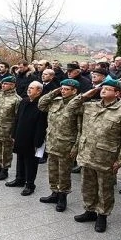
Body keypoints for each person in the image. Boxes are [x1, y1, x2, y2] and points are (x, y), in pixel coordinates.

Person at [67, 80, 121, 233]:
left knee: (105, 188)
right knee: (87, 185)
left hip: (106, 157)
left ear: (117, 93)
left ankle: (102, 215)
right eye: (102, 88)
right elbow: (71, 107)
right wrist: (86, 94)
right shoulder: (91, 105)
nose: (103, 91)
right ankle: (89, 210)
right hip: (87, 153)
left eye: (108, 89)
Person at [37, 79, 81, 212]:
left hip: (66, 146)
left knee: (64, 173)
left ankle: (63, 197)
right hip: (52, 142)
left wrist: (76, 147)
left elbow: (80, 129)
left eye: (66, 89)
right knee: (52, 171)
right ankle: (54, 193)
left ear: (74, 91)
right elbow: (41, 104)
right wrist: (54, 91)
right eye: (62, 88)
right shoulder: (55, 101)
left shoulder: (78, 105)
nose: (63, 91)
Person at [9, 81, 47, 195]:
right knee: (20, 158)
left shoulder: (41, 105)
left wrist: (38, 142)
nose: (29, 89)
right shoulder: (24, 101)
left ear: (39, 91)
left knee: (30, 162)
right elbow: (17, 119)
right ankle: (19, 179)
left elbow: (42, 125)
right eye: (29, 87)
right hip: (21, 135)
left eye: (32, 88)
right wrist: (14, 134)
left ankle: (30, 184)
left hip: (32, 138)